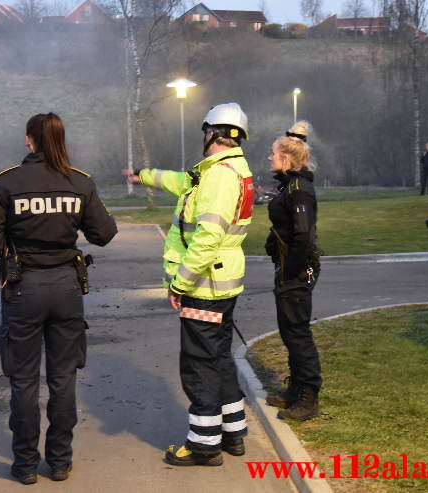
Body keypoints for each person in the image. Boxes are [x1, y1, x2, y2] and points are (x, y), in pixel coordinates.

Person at [0, 113, 117, 484]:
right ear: (61, 140)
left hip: (24, 288)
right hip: (67, 287)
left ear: (28, 140)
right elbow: (103, 233)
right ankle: (60, 461)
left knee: (23, 380)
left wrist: (12, 244)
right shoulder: (80, 182)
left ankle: (24, 465)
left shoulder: (5, 182)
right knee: (63, 378)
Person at [124, 103, 254, 467]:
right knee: (217, 357)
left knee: (199, 364)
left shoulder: (219, 177)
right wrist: (144, 175)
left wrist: (180, 284)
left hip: (204, 286)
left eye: (205, 131)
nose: (202, 136)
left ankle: (204, 445)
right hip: (221, 283)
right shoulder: (225, 170)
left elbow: (207, 238)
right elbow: (181, 183)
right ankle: (232, 432)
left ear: (214, 132)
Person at [262, 122, 322, 421]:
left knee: (298, 335)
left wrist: (291, 274)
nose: (269, 158)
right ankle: (295, 392)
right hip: (287, 269)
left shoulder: (299, 190)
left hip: (295, 273)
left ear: (286, 158)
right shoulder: (291, 186)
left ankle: (308, 398)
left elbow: (303, 237)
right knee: (290, 333)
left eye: (273, 154)